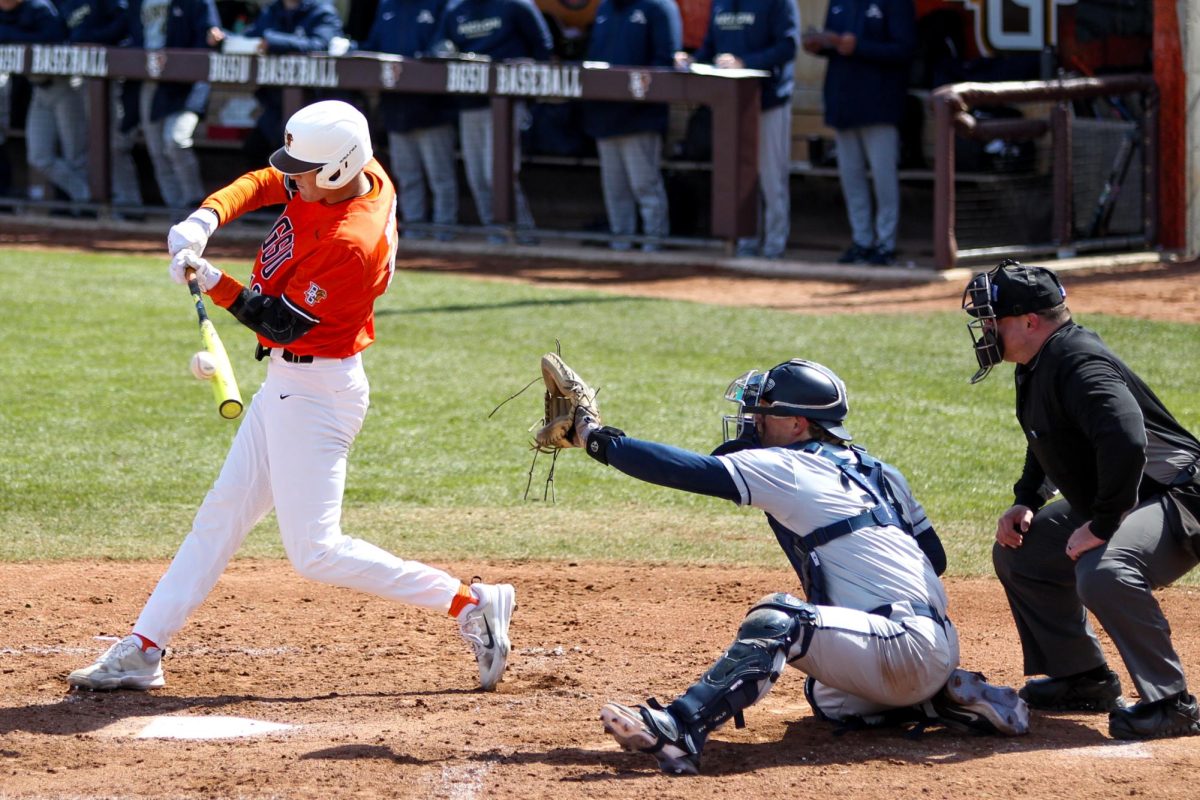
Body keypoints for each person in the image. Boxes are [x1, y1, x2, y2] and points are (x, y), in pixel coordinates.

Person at [67, 100, 516, 694]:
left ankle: (469, 602)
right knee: (221, 515)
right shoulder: (352, 174)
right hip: (291, 386)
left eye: (303, 172)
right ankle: (145, 648)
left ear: (336, 169)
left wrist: (213, 281)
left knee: (316, 552)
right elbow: (262, 182)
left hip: (315, 391)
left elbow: (279, 324)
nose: (291, 180)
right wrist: (206, 218)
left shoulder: (350, 243)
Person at [557, 356, 1027, 775]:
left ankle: (679, 728)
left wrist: (593, 436)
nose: (752, 420)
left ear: (798, 424)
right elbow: (936, 559)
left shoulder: (790, 466)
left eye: (763, 411)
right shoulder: (879, 471)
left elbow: (685, 471)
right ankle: (939, 700)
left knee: (779, 620)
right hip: (931, 641)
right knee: (828, 696)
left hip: (903, 646)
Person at [963, 260, 1200, 740]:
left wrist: (1105, 523)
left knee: (1106, 571)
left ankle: (1173, 703)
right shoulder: (1037, 361)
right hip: (1135, 493)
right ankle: (1083, 678)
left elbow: (1126, 439)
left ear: (1029, 321)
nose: (986, 330)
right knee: (1023, 550)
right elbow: (1047, 437)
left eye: (994, 320)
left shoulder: (1078, 362)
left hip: (1181, 496)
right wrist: (1027, 498)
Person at [677, 0, 798, 259]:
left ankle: (774, 246)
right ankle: (745, 243)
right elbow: (711, 46)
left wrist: (745, 62)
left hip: (768, 102)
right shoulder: (720, 3)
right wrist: (692, 59)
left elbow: (788, 46)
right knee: (739, 179)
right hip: (730, 106)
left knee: (771, 178)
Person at [802, 0, 914, 267]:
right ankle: (862, 241)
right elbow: (835, 44)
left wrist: (859, 46)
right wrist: (820, 46)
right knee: (851, 180)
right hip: (844, 103)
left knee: (883, 179)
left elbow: (905, 48)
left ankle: (885, 244)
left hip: (879, 104)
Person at [431, 0, 551, 243]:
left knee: (498, 174)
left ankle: (525, 234)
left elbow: (544, 47)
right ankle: (495, 234)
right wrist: (444, 51)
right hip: (470, 101)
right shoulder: (456, 9)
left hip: (508, 101)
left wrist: (528, 69)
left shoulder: (517, 5)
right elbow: (439, 44)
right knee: (477, 175)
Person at [581, 0, 680, 252]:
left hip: (640, 116)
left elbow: (664, 62)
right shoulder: (604, 8)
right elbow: (594, 56)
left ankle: (654, 243)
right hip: (604, 114)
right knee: (615, 190)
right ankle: (620, 244)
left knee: (644, 185)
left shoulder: (658, 7)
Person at [358, 0, 458, 241]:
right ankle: (415, 229)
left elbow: (445, 46)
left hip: (432, 107)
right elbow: (374, 45)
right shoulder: (386, 6)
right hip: (395, 105)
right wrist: (354, 49)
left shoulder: (441, 5)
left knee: (440, 175)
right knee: (407, 174)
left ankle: (445, 228)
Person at [126, 0, 223, 210]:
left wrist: (213, 37)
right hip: (149, 81)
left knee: (176, 140)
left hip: (186, 84)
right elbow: (130, 33)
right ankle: (176, 211)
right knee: (157, 150)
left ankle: (194, 204)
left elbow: (210, 34)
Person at [0, 0, 92, 206]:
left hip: (66, 84)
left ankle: (87, 205)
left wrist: (8, 35)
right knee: (39, 156)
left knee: (75, 156)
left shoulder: (39, 8)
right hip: (39, 88)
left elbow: (54, 40)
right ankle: (87, 197)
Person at [60, 0, 144, 213]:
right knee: (85, 143)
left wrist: (92, 40)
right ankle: (92, 204)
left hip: (114, 75)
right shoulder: (62, 3)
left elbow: (124, 24)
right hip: (79, 76)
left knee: (114, 143)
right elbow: (58, 31)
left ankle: (129, 205)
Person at [239, 0, 344, 163]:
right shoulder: (272, 10)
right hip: (275, 106)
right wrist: (223, 37)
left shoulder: (322, 10)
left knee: (300, 163)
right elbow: (248, 38)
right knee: (254, 151)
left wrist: (273, 41)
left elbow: (321, 45)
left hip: (314, 108)